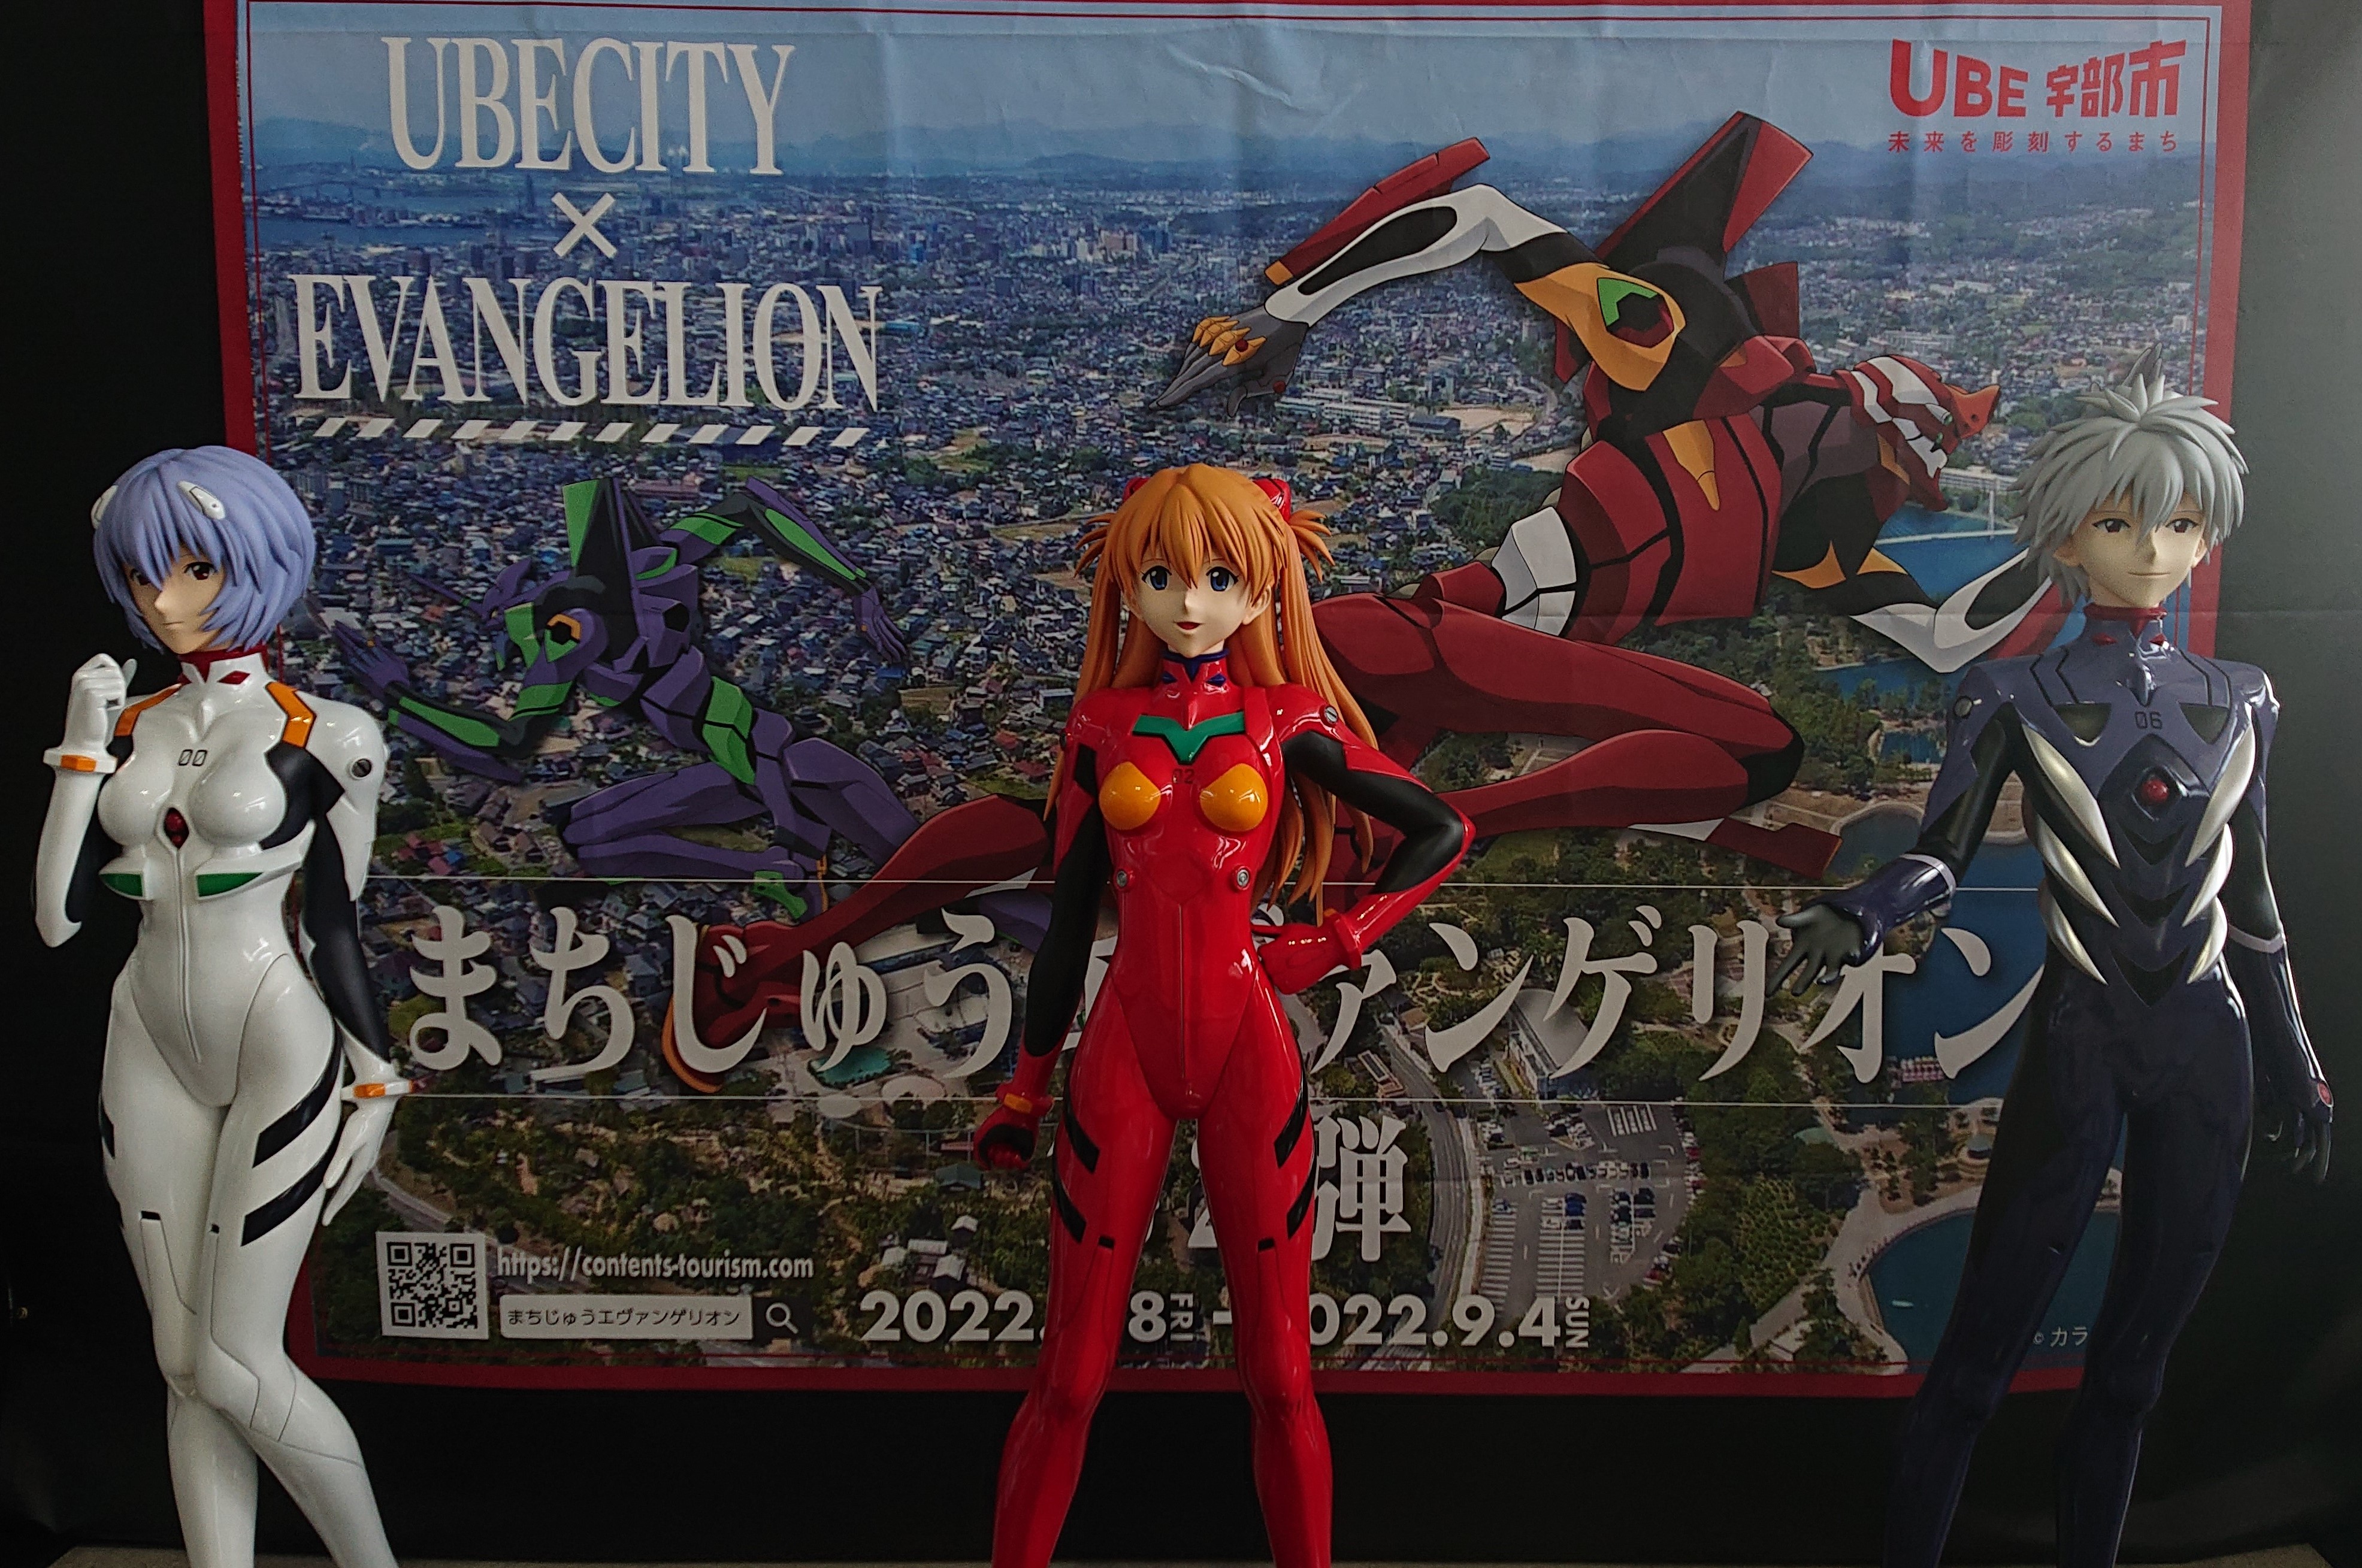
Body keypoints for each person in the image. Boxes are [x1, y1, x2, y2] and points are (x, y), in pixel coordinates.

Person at [1771, 362, 2332, 1568]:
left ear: (2208, 533)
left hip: (2213, 1048)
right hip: (2082, 1046)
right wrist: (1869, 904)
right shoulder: (2011, 689)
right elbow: (1943, 852)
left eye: (2178, 522)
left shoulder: (2244, 698)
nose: (2152, 548)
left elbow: (2254, 901)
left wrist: (2296, 1060)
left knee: (2131, 1378)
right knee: (1974, 1366)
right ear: (2069, 536)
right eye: (2121, 522)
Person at [975, 465, 1469, 1568]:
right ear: (1127, 585)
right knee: (1069, 1374)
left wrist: (1335, 940)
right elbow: (1068, 922)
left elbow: (1441, 829)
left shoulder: (1286, 719)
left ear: (1263, 587)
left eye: (1219, 577)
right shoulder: (1102, 726)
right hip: (1126, 1046)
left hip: (1250, 1040)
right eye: (1161, 576)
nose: (1189, 601)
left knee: (1284, 1375)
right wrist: (1024, 1086)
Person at [34, 447, 404, 1568]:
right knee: (185, 1363)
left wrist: (377, 1079)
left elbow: (335, 921)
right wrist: (82, 748)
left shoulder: (329, 733)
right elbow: (56, 919)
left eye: (196, 569)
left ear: (261, 562)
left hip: (274, 1033)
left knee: (239, 1359)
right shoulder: (129, 719)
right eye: (143, 574)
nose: (166, 601)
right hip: (144, 1031)